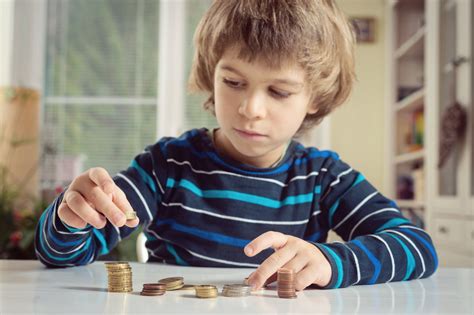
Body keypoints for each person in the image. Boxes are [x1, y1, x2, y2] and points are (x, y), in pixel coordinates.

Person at [35, 0, 438, 290]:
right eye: (233, 82)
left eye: (279, 91)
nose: (250, 108)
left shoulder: (325, 177)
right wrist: (71, 217)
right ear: (212, 75)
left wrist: (331, 262)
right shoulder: (167, 165)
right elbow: (62, 256)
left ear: (314, 98)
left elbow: (417, 247)